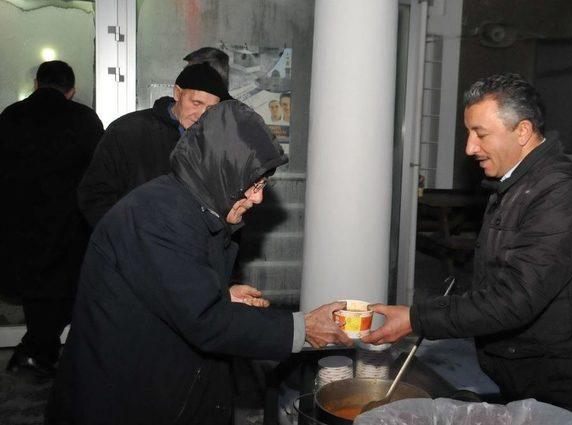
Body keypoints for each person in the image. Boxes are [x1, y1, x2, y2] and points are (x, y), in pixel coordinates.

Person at [46, 100, 351, 425]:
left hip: (158, 384)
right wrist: (301, 327)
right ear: (220, 171)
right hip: (121, 399)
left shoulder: (191, 206)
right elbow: (203, 320)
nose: (259, 198)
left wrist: (223, 292)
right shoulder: (159, 217)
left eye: (264, 184)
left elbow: (169, 287)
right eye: (253, 184)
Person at [362, 73, 572, 424]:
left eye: (481, 134)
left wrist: (416, 318)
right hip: (529, 376)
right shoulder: (517, 184)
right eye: (469, 132)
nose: (469, 148)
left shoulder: (564, 195)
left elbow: (515, 299)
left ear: (522, 131)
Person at [0, 60, 104, 378]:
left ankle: (35, 352)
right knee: (66, 291)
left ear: (36, 83)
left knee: (36, 294)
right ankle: (37, 352)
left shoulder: (10, 116)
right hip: (67, 223)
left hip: (18, 221)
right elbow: (98, 174)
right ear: (70, 91)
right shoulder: (85, 119)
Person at [78, 62, 230, 227]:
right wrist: (127, 237)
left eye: (210, 108)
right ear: (177, 93)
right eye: (196, 103)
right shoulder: (128, 130)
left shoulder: (216, 141)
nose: (201, 115)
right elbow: (94, 194)